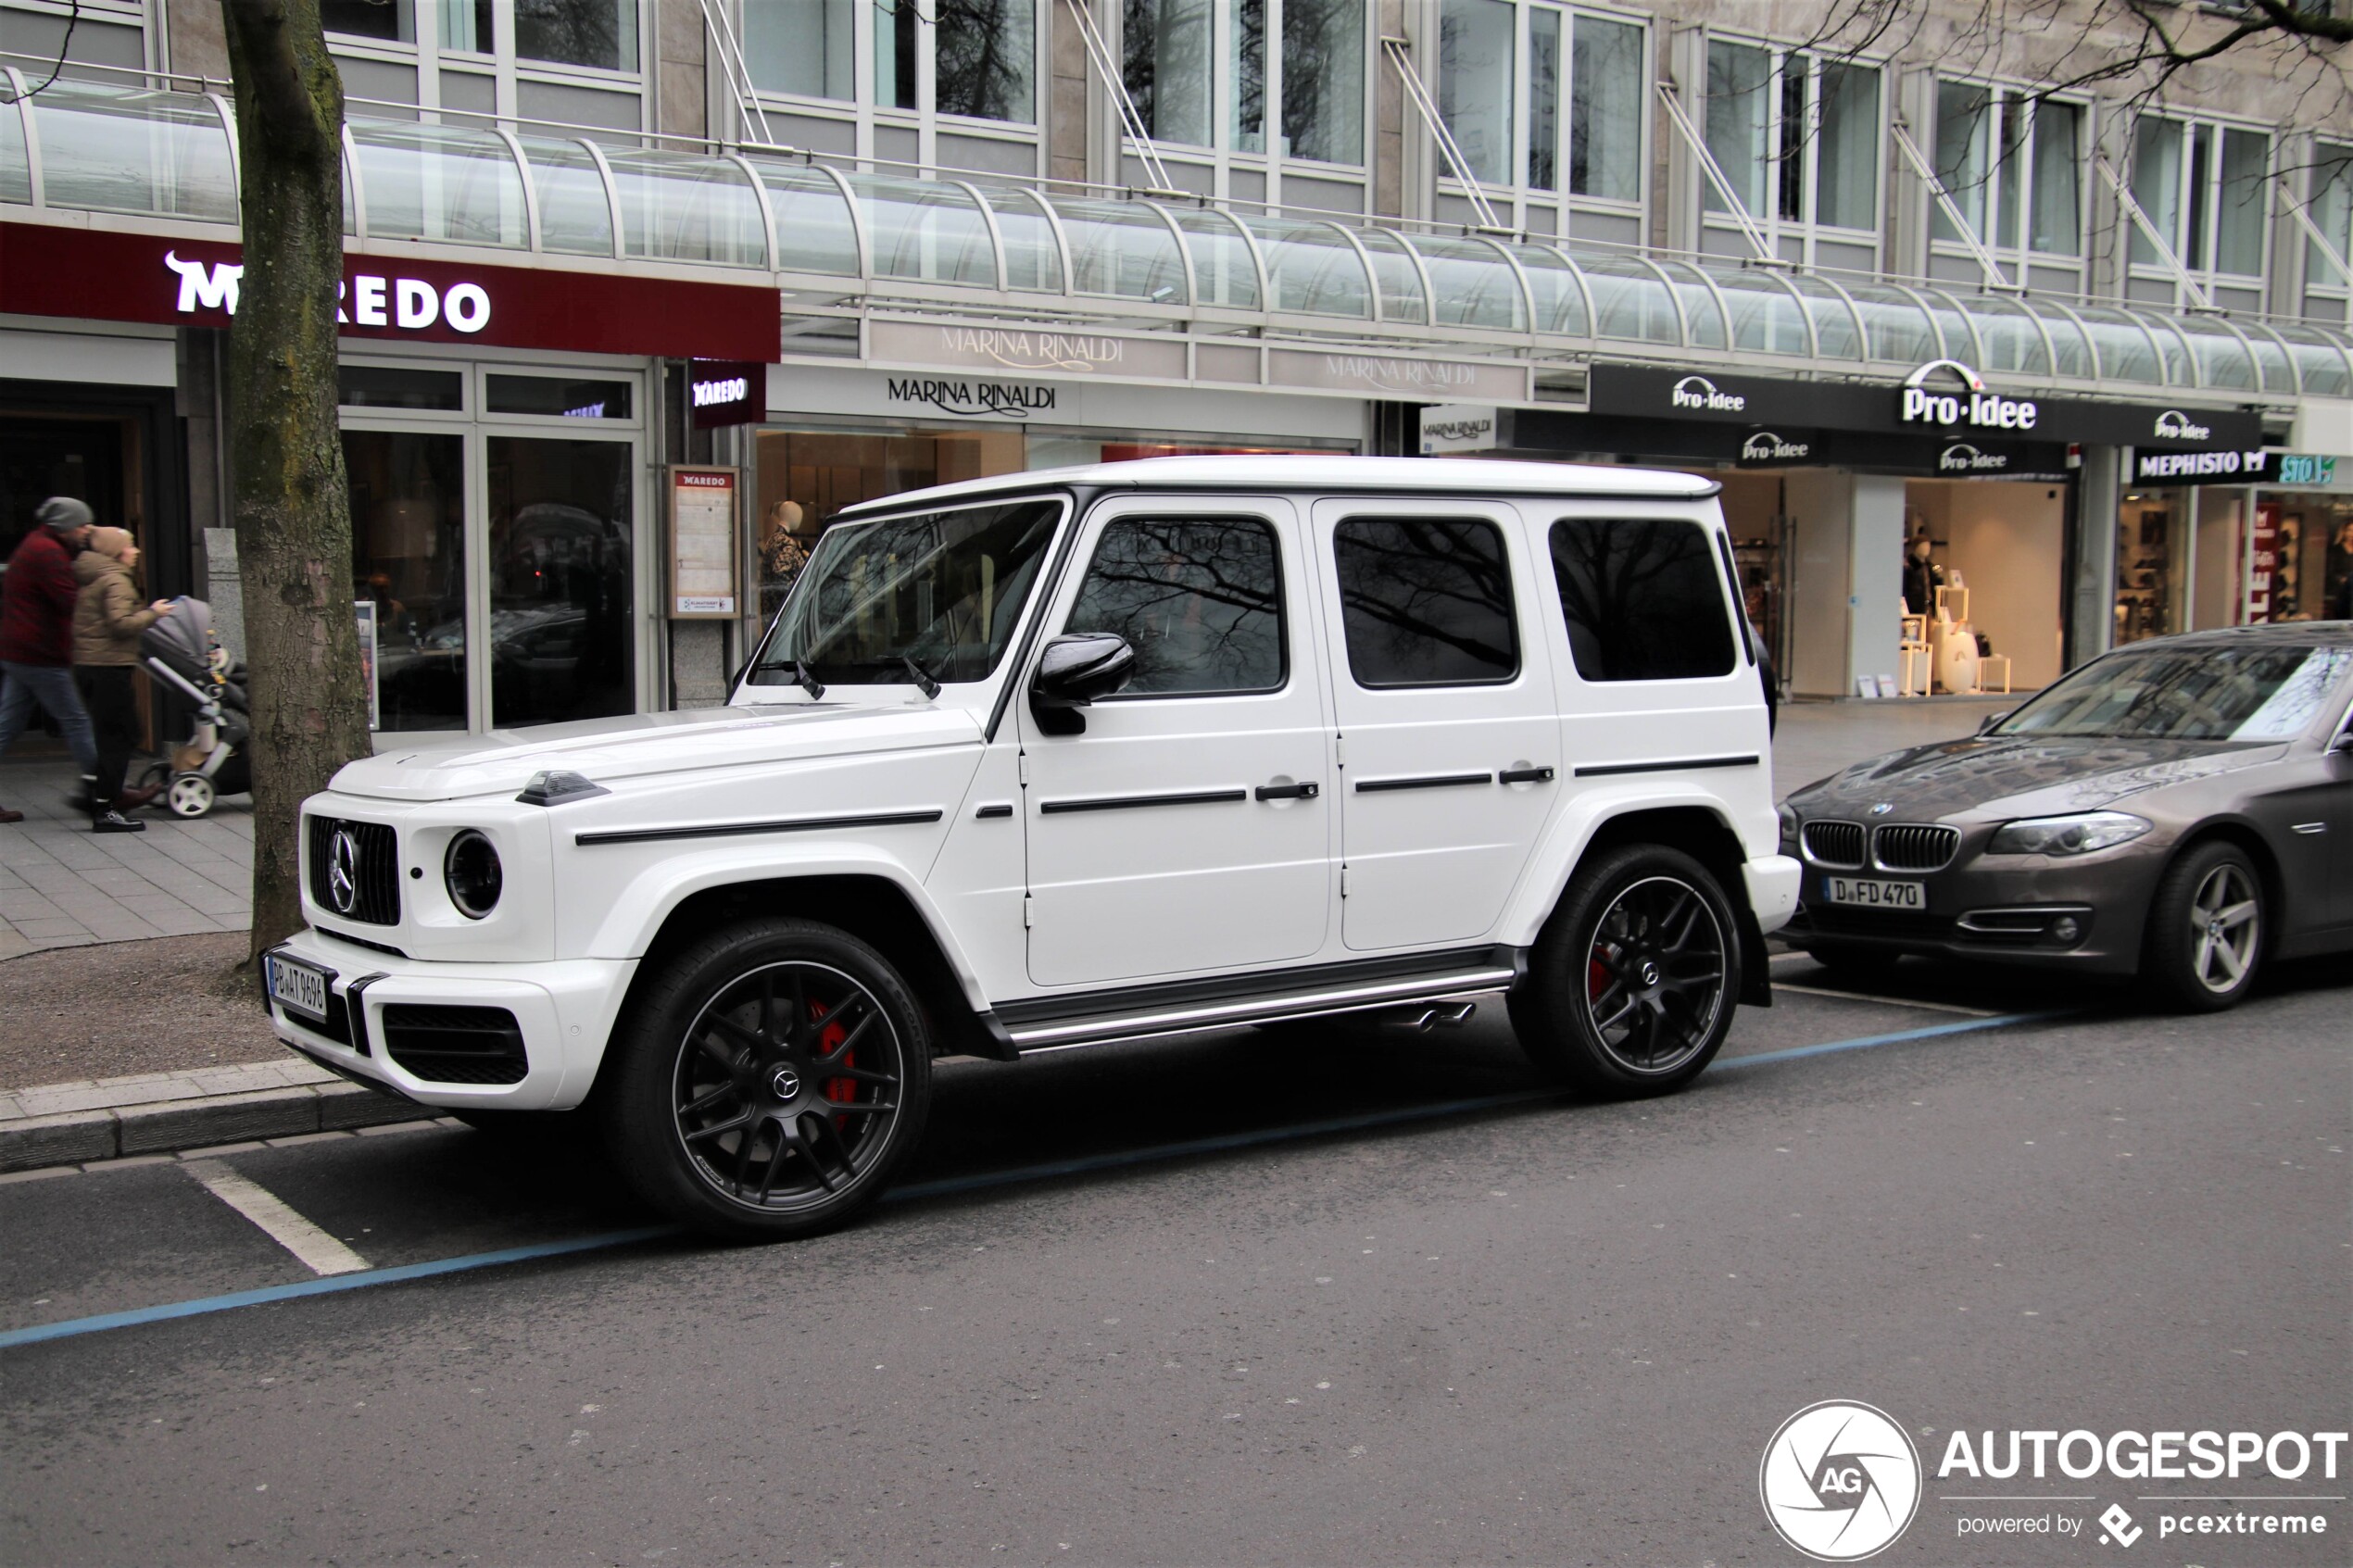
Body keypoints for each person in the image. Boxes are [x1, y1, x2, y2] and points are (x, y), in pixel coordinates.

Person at [0, 496, 102, 825]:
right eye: (82, 525)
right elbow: (69, 599)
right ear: (65, 525)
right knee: (76, 721)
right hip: (39, 654)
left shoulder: (39, 545)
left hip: (22, 651)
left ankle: (105, 786)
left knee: (6, 727)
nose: (87, 530)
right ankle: (106, 790)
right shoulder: (47, 552)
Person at [72, 526, 170, 832]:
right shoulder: (114, 579)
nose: (136, 551)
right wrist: (153, 613)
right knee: (119, 736)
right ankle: (106, 807)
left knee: (117, 734)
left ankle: (102, 798)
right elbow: (120, 623)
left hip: (92, 665)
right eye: (130, 546)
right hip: (108, 668)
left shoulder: (95, 576)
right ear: (116, 552)